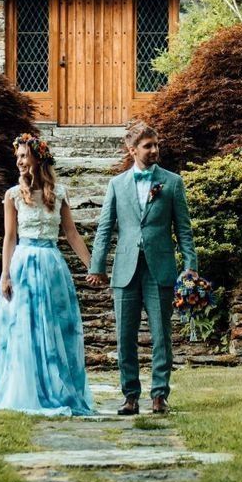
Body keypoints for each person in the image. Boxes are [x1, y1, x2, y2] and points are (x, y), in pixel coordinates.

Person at [0, 132, 96, 416]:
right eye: (17, 156)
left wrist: (92, 265)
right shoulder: (12, 196)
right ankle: (24, 387)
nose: (19, 161)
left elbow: (71, 234)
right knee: (23, 327)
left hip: (52, 266)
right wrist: (5, 275)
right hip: (23, 265)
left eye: (23, 155)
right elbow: (10, 238)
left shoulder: (58, 194)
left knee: (55, 326)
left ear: (37, 157)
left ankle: (55, 386)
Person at [86, 121, 198, 415]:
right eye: (148, 146)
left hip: (160, 268)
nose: (154, 150)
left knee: (162, 335)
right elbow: (105, 228)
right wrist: (97, 266)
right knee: (125, 336)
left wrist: (190, 267)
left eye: (156, 145)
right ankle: (130, 396)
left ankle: (159, 395)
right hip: (125, 271)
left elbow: (184, 230)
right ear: (132, 149)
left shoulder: (172, 183)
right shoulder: (116, 184)